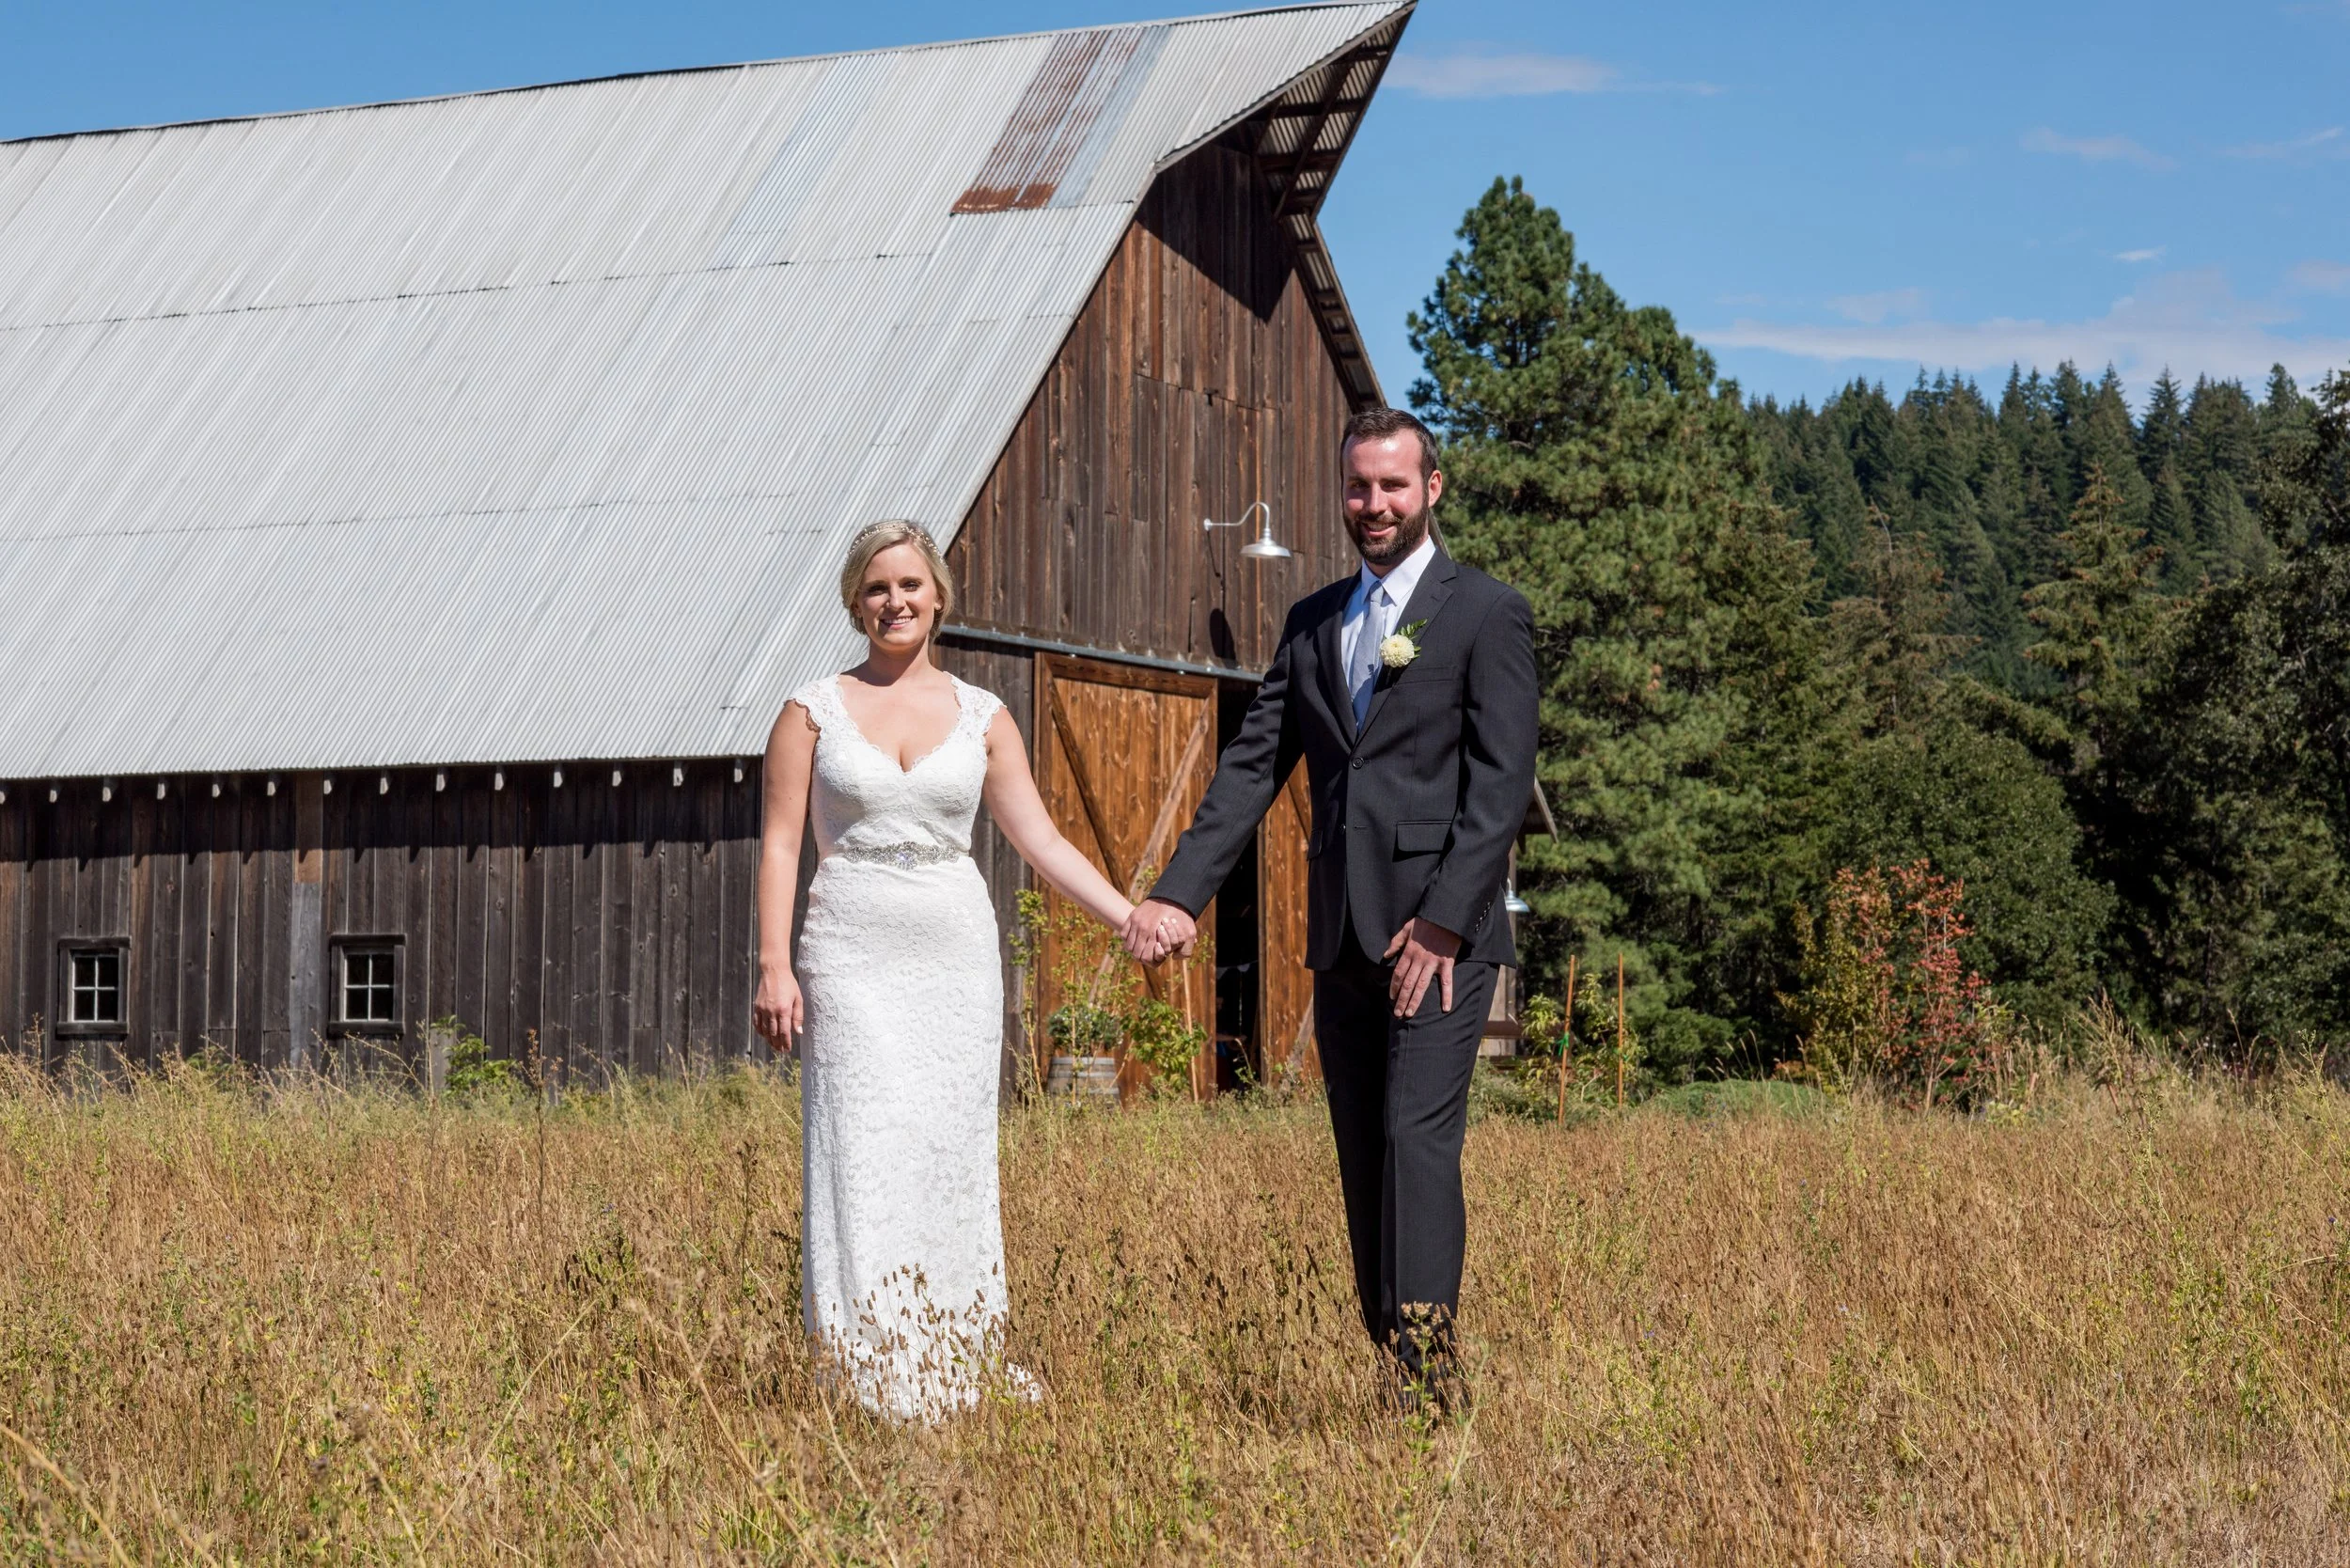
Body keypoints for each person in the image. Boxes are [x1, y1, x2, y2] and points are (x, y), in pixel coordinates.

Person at [1123, 408, 1538, 1405]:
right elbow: (1252, 768)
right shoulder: (1315, 622)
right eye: (1358, 488)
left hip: (1438, 939)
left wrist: (1442, 922)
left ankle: (1429, 1370)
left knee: (1415, 1141)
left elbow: (1501, 785)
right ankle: (1388, 1346)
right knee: (1362, 1151)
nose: (1374, 505)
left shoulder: (1486, 612)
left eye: (1394, 486)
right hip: (1341, 933)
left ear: (1431, 488)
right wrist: (1179, 896)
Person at [754, 520, 1136, 1421]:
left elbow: (1039, 840)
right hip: (848, 947)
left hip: (954, 952)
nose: (896, 601)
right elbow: (777, 845)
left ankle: (952, 1352)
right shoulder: (811, 709)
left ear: (938, 597)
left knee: (947, 1150)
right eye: (878, 587)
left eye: (911, 586)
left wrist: (1129, 915)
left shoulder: (983, 714)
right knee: (858, 1146)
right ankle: (862, 1368)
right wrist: (776, 965)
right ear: (856, 601)